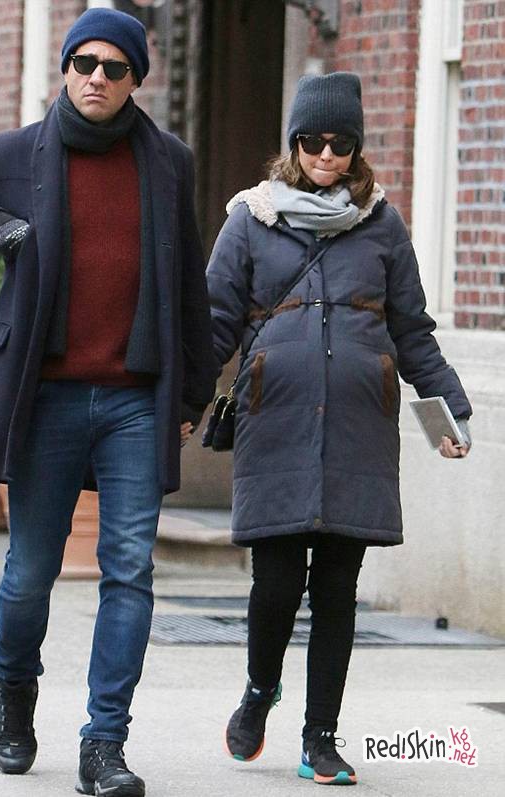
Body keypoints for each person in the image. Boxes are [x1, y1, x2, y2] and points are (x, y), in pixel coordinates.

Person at [0, 8, 215, 796]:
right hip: (43, 397)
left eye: (114, 68)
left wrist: (192, 391)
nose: (96, 78)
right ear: (66, 68)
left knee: (130, 569)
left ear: (135, 79)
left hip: (133, 400)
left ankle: (103, 743)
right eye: (84, 63)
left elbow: (189, 283)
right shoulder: (14, 154)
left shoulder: (168, 161)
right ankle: (15, 692)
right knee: (28, 574)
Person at [205, 72, 472, 786]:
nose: (326, 155)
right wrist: (180, 403)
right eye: (313, 141)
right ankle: (259, 691)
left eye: (341, 142)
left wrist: (446, 412)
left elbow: (411, 330)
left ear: (356, 148)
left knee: (336, 589)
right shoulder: (250, 219)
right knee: (275, 583)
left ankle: (319, 737)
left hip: (359, 426)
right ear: (292, 144)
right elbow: (214, 324)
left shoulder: (382, 223)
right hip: (276, 421)